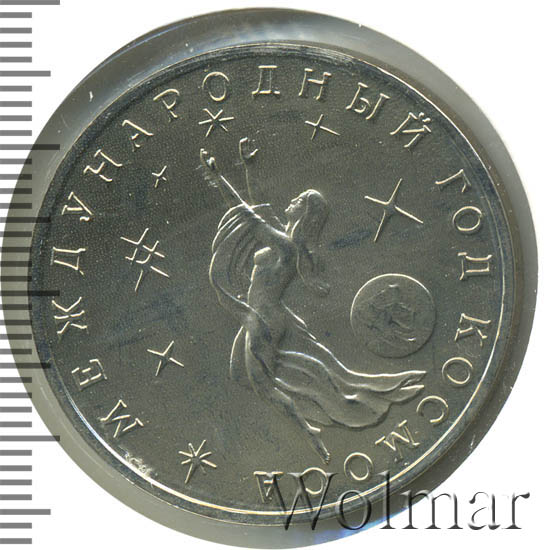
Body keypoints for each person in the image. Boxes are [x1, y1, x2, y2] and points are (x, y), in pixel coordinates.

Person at [201, 149, 425, 464]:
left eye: (298, 200)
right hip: (261, 315)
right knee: (240, 373)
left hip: (263, 319)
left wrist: (218, 178)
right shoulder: (286, 240)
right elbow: (258, 209)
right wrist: (248, 167)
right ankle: (306, 413)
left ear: (304, 213)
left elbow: (248, 216)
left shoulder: (285, 246)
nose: (291, 201)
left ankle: (308, 433)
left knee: (264, 387)